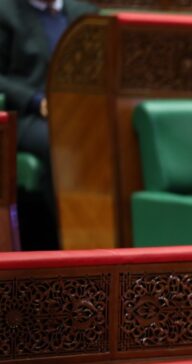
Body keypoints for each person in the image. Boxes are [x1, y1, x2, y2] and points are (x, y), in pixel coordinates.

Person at [0, 0, 98, 250]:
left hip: (83, 115)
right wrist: (36, 101)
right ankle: (71, 239)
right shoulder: (6, 12)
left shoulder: (86, 14)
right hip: (28, 116)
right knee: (59, 142)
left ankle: (111, 231)